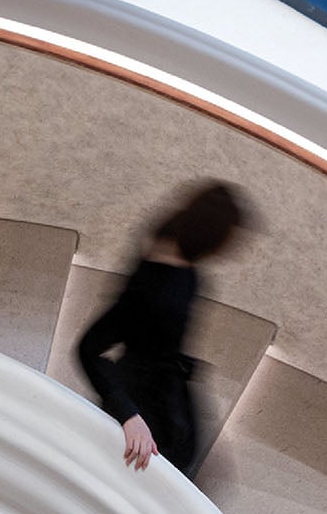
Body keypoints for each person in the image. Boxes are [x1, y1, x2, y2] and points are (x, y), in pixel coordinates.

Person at [76, 181, 256, 474]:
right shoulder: (151, 288)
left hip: (166, 382)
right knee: (160, 470)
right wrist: (129, 415)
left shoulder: (177, 253)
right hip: (144, 395)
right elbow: (88, 348)